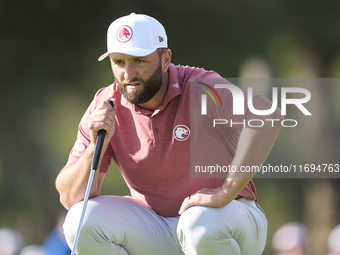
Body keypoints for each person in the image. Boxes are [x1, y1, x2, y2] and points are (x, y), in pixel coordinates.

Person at [56, 13, 282, 255]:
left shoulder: (201, 87)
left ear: (165, 59)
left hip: (228, 220)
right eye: (119, 62)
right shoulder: (106, 104)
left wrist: (225, 192)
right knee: (81, 221)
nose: (128, 73)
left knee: (198, 222)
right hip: (157, 227)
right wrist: (94, 149)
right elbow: (70, 198)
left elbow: (268, 116)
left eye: (139, 60)